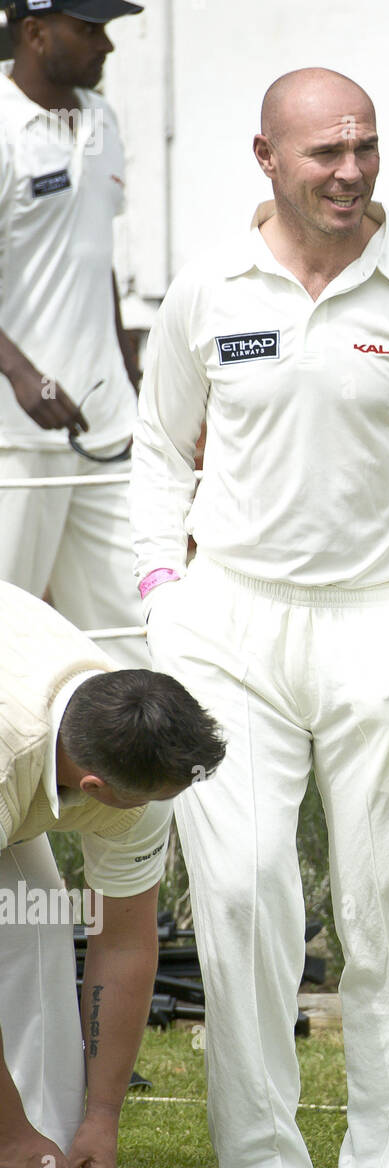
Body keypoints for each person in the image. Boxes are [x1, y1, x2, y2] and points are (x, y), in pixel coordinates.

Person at [130, 68, 389, 1168]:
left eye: (365, 147)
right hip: (228, 633)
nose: (349, 172)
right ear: (265, 157)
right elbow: (155, 452)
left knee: (385, 910)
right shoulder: (209, 287)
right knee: (241, 899)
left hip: (376, 633)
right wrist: (162, 597)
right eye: (323, 153)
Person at [0, 581, 225, 1168]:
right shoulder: (12, 751)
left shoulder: (137, 753)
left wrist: (101, 1118)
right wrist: (10, 1137)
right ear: (95, 785)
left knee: (34, 921)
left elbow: (122, 944)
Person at [0, 0, 147, 668]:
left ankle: (154, 776)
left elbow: (94, 256)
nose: (107, 45)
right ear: (33, 31)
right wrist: (24, 374)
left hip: (105, 424)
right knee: (8, 631)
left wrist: (127, 368)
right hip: (15, 437)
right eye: (89, 29)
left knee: (136, 635)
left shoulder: (103, 117)